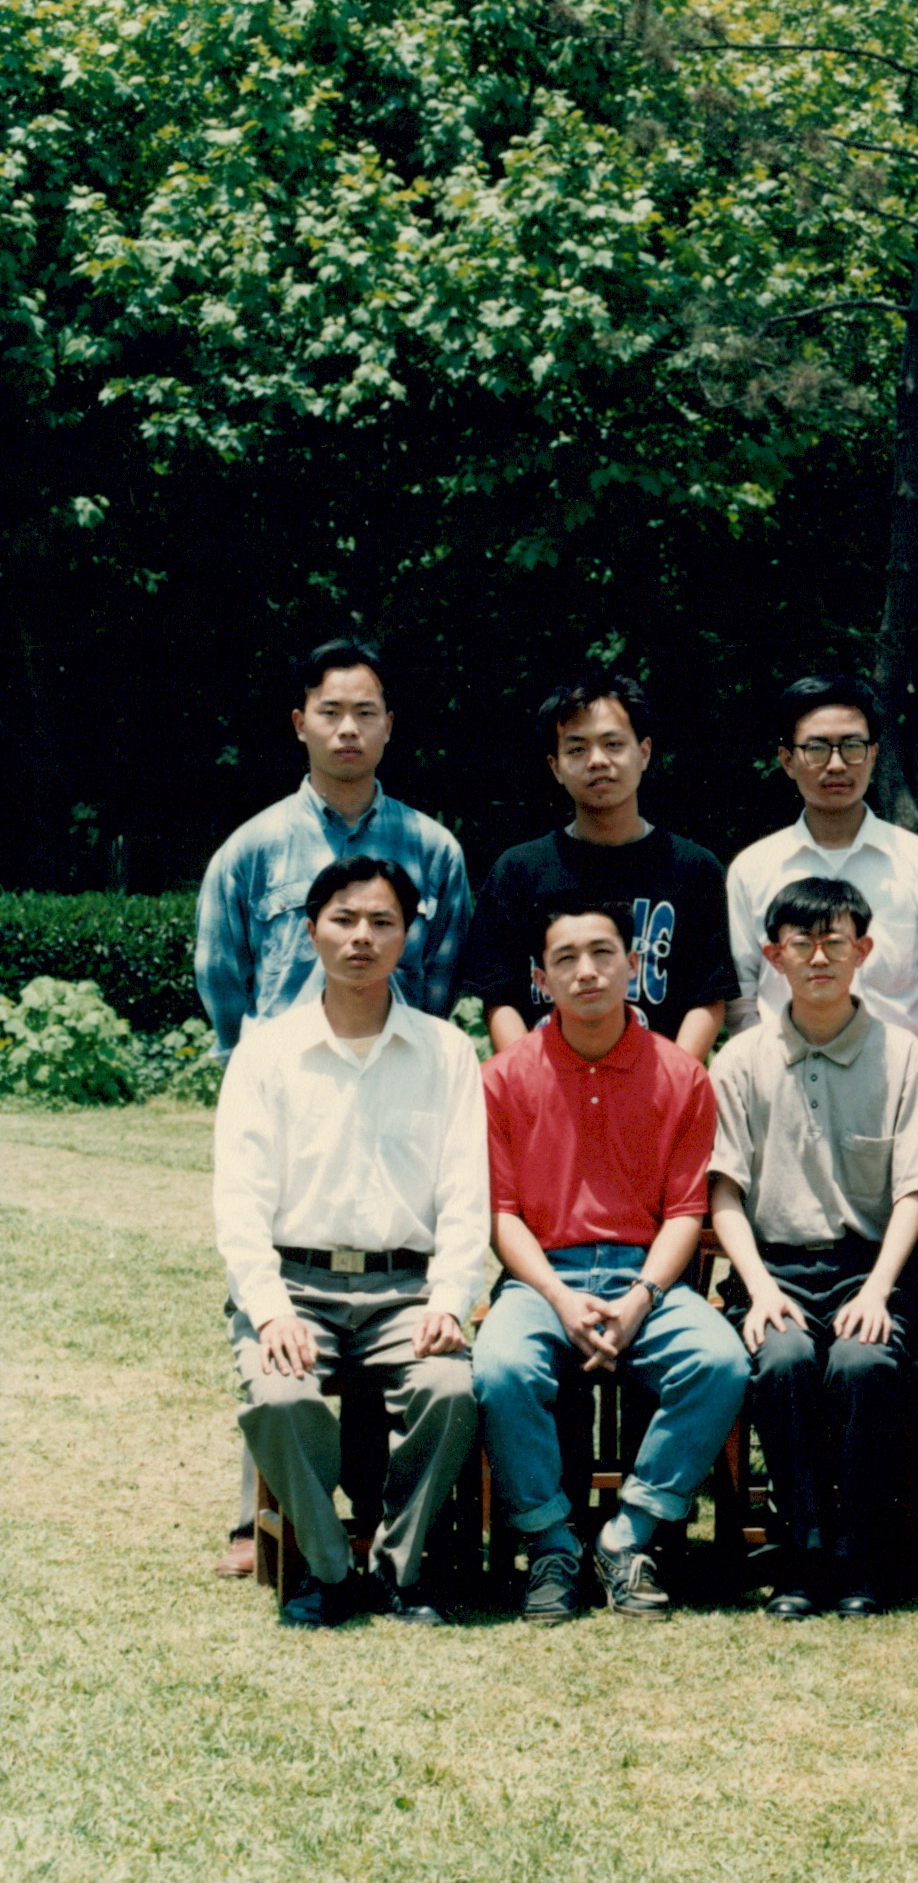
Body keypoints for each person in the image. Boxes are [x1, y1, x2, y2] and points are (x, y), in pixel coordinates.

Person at [196, 637, 473, 1577]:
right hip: (290, 1093)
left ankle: (375, 1533)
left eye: (366, 713)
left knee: (392, 1299)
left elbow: (441, 974)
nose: (348, 729)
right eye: (330, 712)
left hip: (400, 1085)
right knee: (279, 1314)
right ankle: (264, 1524)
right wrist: (261, 1064)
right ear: (300, 723)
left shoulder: (432, 849)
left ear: (390, 725)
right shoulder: (253, 848)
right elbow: (222, 976)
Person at [211, 857, 487, 1626]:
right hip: (296, 1288)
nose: (361, 937)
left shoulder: (446, 1052)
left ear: (407, 938)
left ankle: (400, 1568)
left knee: (452, 1390)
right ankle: (327, 1568)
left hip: (407, 1291)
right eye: (343, 919)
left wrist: (449, 1300)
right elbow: (239, 1201)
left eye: (381, 922)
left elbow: (467, 1195)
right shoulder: (266, 1052)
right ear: (311, 931)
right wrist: (270, 1310)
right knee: (279, 1398)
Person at [472, 899, 749, 1622]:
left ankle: (628, 1536)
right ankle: (551, 1543)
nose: (587, 971)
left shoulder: (681, 1075)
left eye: (603, 953)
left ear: (634, 964)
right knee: (500, 1368)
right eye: (564, 959)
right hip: (540, 1278)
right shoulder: (503, 1076)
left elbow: (686, 1211)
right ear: (540, 980)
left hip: (645, 1278)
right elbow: (502, 1215)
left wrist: (641, 1298)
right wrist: (560, 1300)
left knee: (720, 1361)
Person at [706, 876, 918, 1619]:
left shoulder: (903, 1056)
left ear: (862, 951)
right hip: (772, 1268)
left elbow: (914, 1191)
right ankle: (803, 1553)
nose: (818, 958)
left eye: (834, 942)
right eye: (800, 943)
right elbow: (724, 1193)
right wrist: (758, 1289)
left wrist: (877, 1290)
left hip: (869, 1269)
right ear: (773, 955)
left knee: (862, 1364)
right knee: (781, 1362)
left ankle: (864, 1553)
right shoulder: (740, 1059)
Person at [465, 674, 736, 1057]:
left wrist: (673, 1083)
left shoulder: (693, 869)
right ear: (556, 767)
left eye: (613, 744)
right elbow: (499, 997)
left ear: (643, 752)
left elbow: (707, 996)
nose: (597, 761)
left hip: (658, 1081)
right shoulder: (519, 872)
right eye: (577, 749)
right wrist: (529, 1080)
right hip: (546, 1081)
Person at [724, 675, 918, 1052]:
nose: (836, 765)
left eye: (852, 746)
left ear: (873, 754)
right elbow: (742, 998)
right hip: (783, 1075)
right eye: (816, 749)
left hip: (894, 1078)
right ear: (787, 760)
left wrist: (893, 1063)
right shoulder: (752, 870)